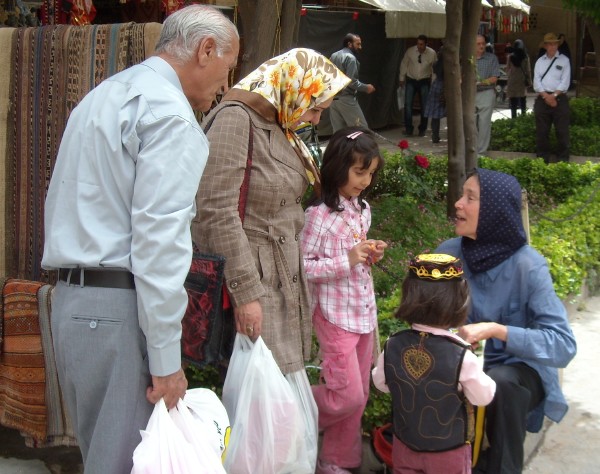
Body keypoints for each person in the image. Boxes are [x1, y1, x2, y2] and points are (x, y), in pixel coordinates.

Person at [41, 5, 239, 474]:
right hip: (118, 312)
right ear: (205, 50)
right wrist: (168, 361)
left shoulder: (104, 95)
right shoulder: (169, 115)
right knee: (125, 461)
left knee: (103, 456)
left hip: (74, 306)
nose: (223, 87)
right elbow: (160, 243)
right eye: (226, 71)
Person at [193, 47, 349, 377]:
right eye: (315, 108)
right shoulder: (237, 118)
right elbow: (215, 209)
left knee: (279, 397)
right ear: (292, 89)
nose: (316, 119)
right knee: (263, 398)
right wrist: (247, 295)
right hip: (253, 277)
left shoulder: (280, 123)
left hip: (280, 275)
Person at [436, 168, 577, 474]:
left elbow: (563, 346)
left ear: (494, 211)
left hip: (519, 375)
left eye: (470, 198)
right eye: (462, 195)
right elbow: (428, 316)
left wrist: (497, 331)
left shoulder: (529, 265)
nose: (458, 203)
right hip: (462, 367)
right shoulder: (447, 255)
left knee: (502, 381)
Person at [300, 126, 387, 474]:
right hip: (335, 318)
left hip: (363, 313)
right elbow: (303, 267)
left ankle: (337, 460)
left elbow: (355, 253)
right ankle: (291, 411)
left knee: (359, 395)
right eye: (359, 171)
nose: (365, 180)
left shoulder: (361, 208)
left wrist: (368, 254)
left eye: (371, 173)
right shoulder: (318, 216)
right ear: (338, 166)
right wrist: (347, 260)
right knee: (345, 395)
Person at [372, 253, 496, 474]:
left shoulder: (393, 343)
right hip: (448, 452)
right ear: (459, 301)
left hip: (404, 445)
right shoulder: (460, 354)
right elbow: (482, 396)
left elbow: (381, 382)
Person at [533, 32, 571, 163]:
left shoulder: (564, 60)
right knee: (542, 132)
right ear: (545, 46)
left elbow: (565, 82)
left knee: (562, 132)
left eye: (555, 44)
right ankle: (542, 160)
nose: (553, 46)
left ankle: (563, 161)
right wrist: (546, 97)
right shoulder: (539, 62)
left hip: (560, 99)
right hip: (542, 99)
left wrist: (554, 96)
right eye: (550, 44)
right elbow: (536, 82)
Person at [328, 33, 376, 132]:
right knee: (361, 130)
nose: (360, 47)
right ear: (350, 44)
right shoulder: (351, 58)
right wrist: (366, 87)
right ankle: (363, 148)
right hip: (346, 99)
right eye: (358, 44)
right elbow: (351, 82)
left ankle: (340, 148)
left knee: (339, 134)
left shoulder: (334, 55)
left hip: (333, 100)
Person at [399, 34, 436, 137]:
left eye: (422, 44)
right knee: (408, 104)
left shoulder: (431, 53)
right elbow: (404, 64)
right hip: (411, 79)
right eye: (418, 44)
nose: (419, 46)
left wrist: (433, 82)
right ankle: (409, 129)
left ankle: (422, 129)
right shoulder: (410, 51)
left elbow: (434, 69)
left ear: (426, 44)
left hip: (424, 80)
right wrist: (401, 78)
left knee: (425, 106)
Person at [475, 34, 501, 156]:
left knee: (484, 123)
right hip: (470, 94)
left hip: (486, 92)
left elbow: (495, 77)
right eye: (478, 44)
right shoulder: (467, 58)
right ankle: (471, 150)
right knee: (470, 123)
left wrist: (481, 82)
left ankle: (481, 152)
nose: (481, 46)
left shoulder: (492, 58)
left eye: (483, 43)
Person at [424, 45, 446, 143]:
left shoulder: (436, 64)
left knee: (435, 114)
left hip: (436, 85)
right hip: (447, 86)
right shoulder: (450, 64)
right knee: (451, 112)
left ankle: (435, 136)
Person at [506, 39, 532, 119]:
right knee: (522, 100)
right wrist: (530, 81)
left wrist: (510, 75)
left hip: (512, 81)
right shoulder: (525, 57)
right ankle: (523, 118)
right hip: (522, 81)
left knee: (513, 102)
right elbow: (528, 70)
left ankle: (513, 119)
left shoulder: (510, 56)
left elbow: (507, 69)